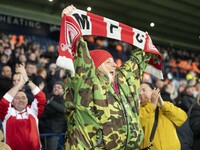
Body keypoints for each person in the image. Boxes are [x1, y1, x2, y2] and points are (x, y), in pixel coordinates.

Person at [62, 5, 160, 150]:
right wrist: (71, 20)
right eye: (108, 62)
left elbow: (135, 65)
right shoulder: (87, 83)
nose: (114, 65)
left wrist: (143, 43)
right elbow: (81, 58)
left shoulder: (122, 82)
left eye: (113, 61)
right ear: (94, 66)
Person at [0, 64, 46, 150]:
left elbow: (41, 98)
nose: (21, 100)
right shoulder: (7, 114)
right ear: (12, 102)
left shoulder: (33, 111)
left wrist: (27, 80)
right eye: (17, 98)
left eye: (23, 97)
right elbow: (3, 103)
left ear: (27, 100)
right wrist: (20, 84)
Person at [139, 82, 187, 150]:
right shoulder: (137, 110)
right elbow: (140, 122)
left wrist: (163, 105)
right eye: (138, 91)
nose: (141, 93)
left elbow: (182, 118)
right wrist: (152, 105)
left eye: (144, 90)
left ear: (154, 91)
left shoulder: (165, 105)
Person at [39, 81, 67, 150]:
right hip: (43, 131)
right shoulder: (49, 96)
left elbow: (63, 109)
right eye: (54, 87)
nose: (56, 88)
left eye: (59, 87)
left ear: (63, 90)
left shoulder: (65, 99)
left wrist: (50, 102)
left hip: (55, 132)